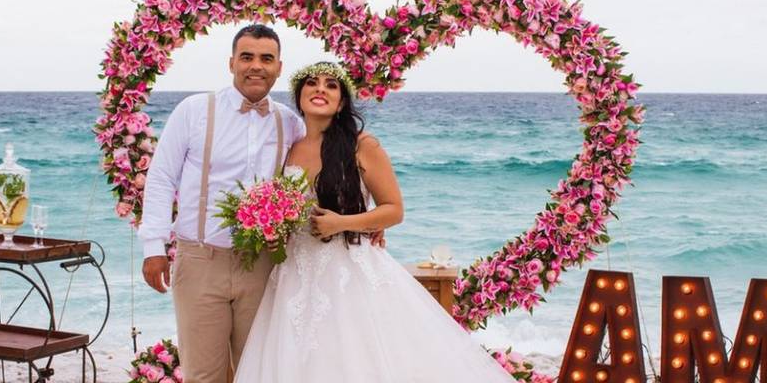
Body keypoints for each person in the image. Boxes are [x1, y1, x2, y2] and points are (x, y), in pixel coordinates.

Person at [233, 61, 514, 382]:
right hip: (294, 276)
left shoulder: (362, 144)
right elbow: (289, 211)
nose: (320, 89)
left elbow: (394, 210)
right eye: (312, 83)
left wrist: (343, 223)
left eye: (331, 85)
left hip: (347, 270)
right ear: (299, 96)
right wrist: (274, 231)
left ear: (342, 101)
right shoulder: (291, 148)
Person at [138, 24, 306, 383]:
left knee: (259, 372)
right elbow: (162, 177)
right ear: (231, 63)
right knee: (203, 375)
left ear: (279, 67)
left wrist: (365, 220)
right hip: (200, 261)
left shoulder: (291, 123)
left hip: (262, 265)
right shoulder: (195, 110)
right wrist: (153, 247)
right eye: (247, 57)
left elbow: (317, 176)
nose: (256, 66)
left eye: (266, 58)